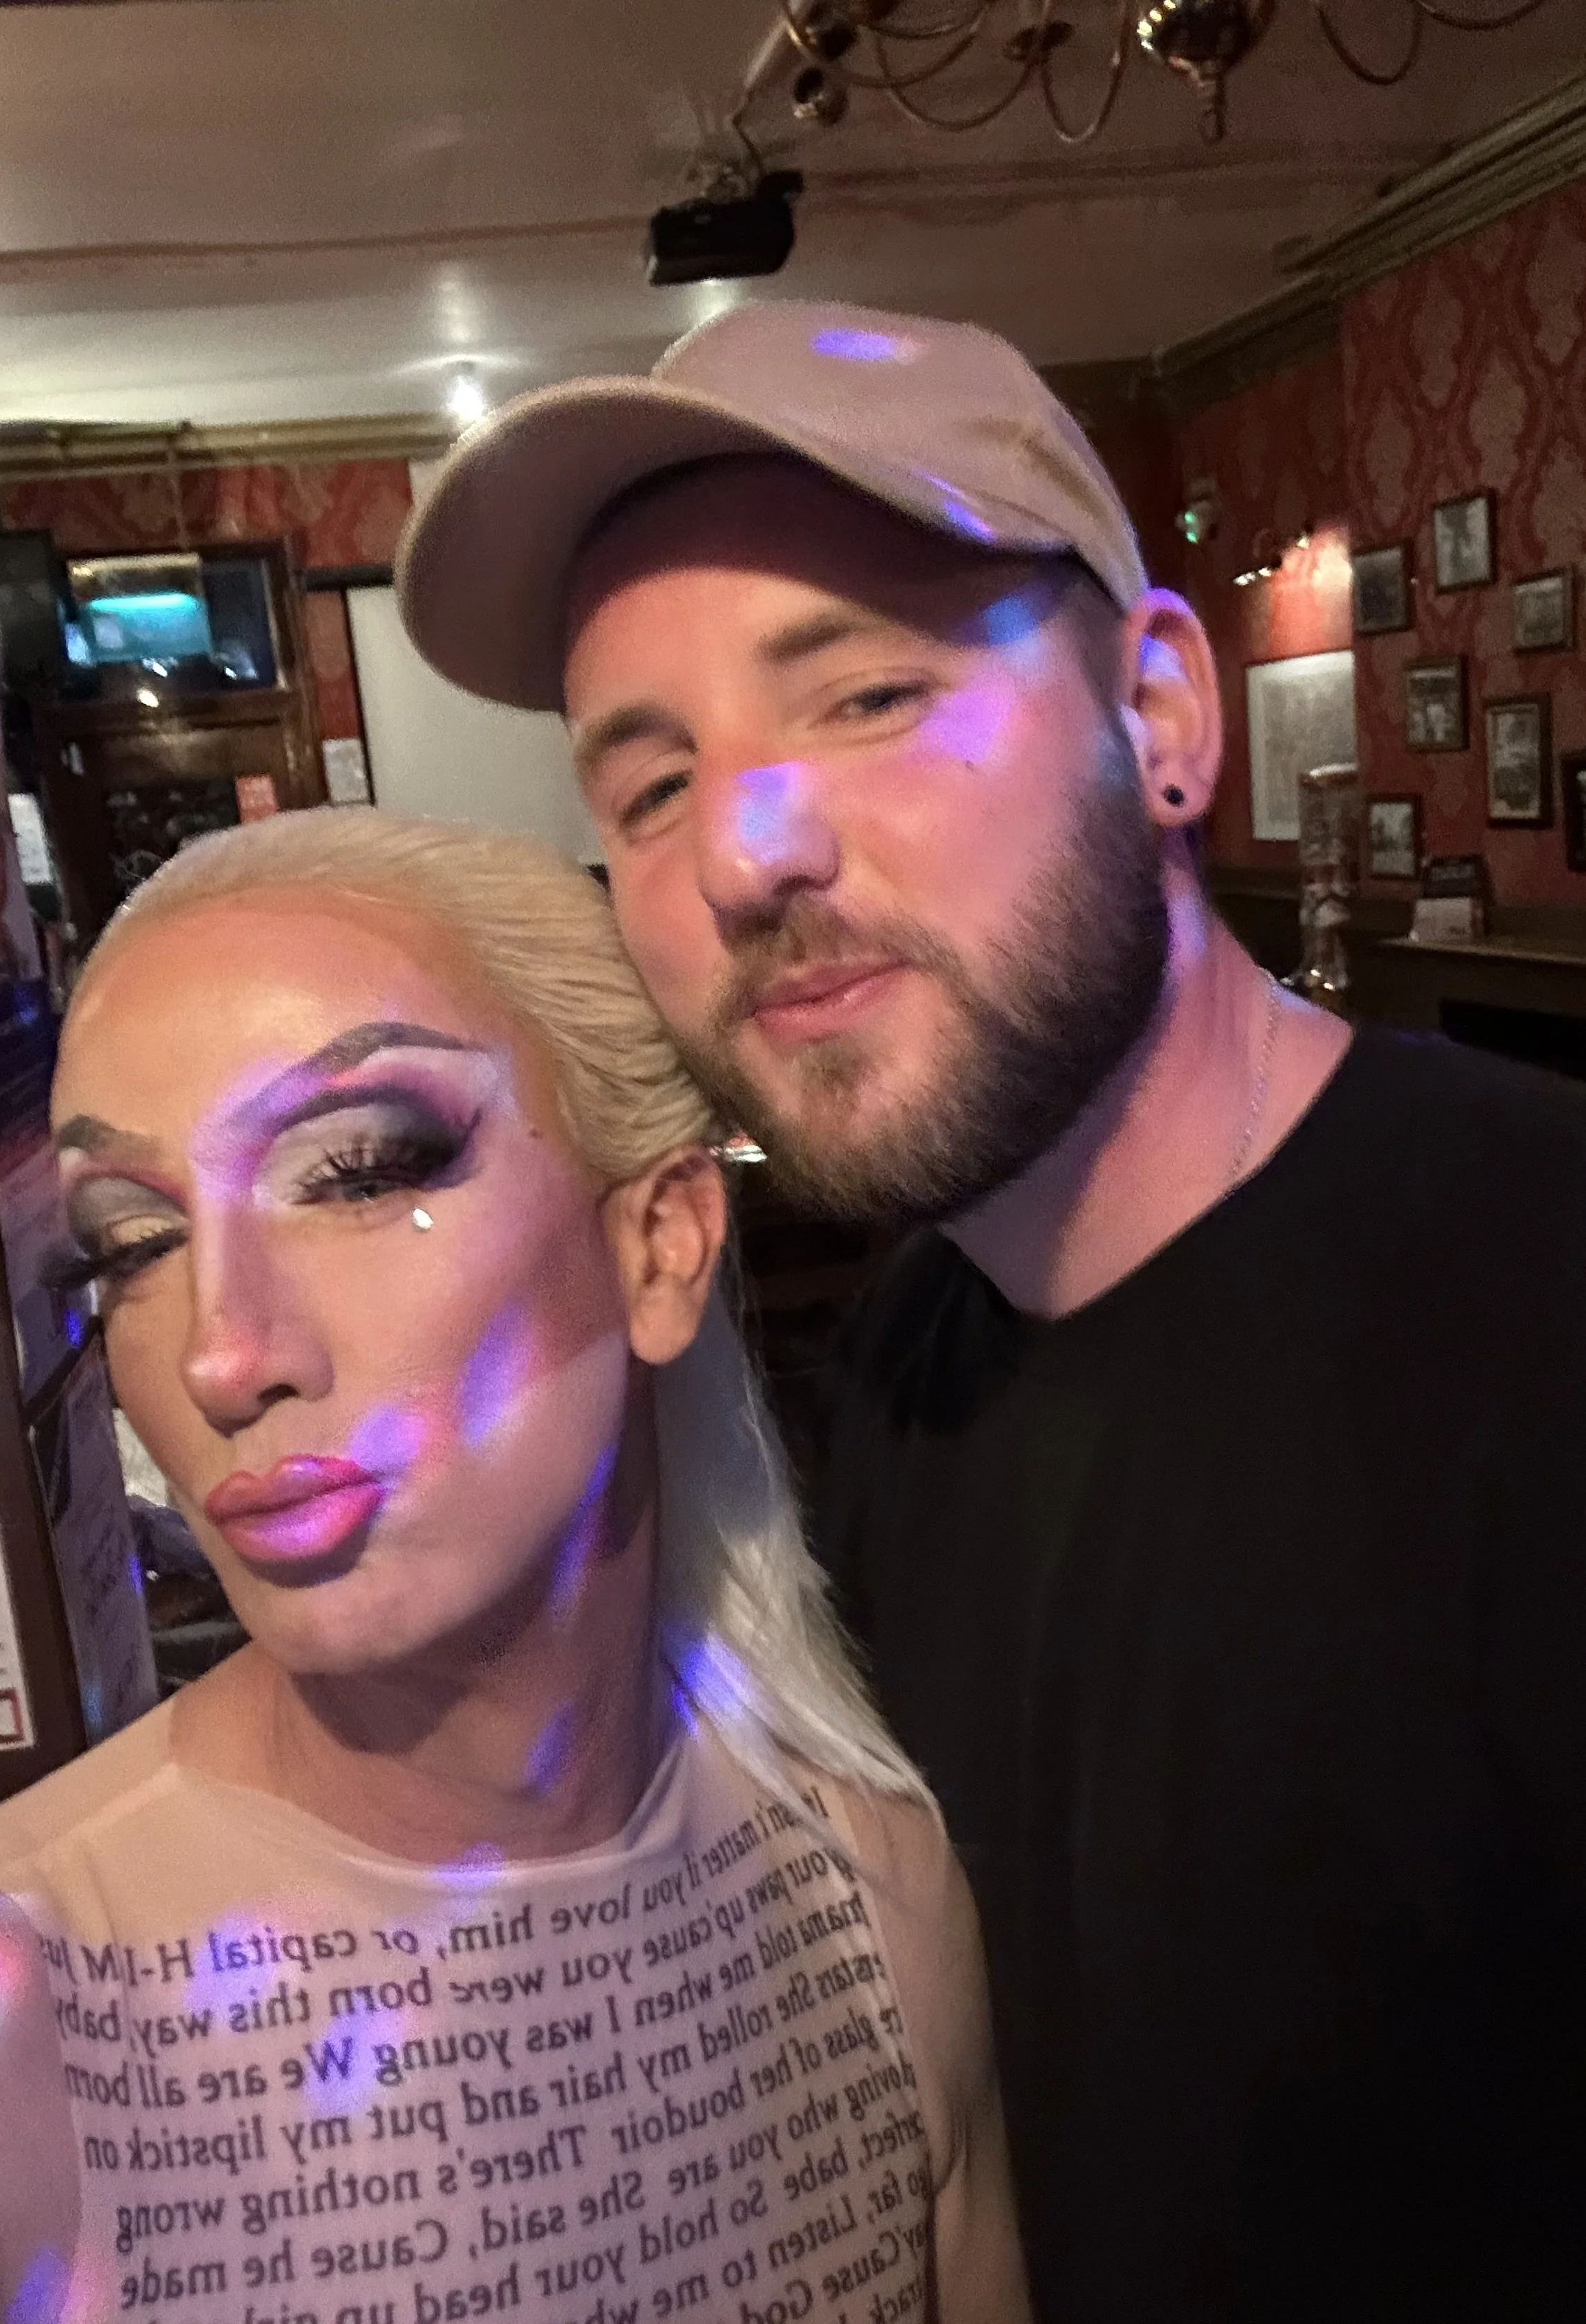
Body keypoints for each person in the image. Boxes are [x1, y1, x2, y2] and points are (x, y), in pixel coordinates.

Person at [394, 298, 1586, 2324]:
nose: (745, 852)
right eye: (652, 786)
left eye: (864, 695)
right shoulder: (903, 1356)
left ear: (1161, 715)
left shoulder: (1534, 1306)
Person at [0, 810, 1020, 2324]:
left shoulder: (874, 1894)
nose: (219, 1355)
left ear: (660, 1240)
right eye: (131, 1244)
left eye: (356, 1171)